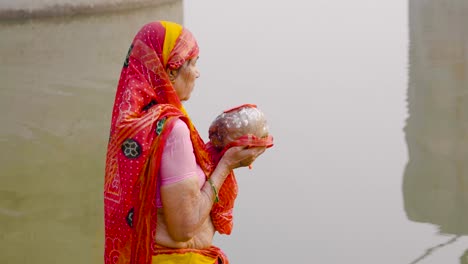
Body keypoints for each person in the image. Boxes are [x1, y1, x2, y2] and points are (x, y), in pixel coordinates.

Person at [104, 21, 272, 264]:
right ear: (171, 71)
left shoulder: (136, 124)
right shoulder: (173, 130)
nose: (197, 72)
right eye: (192, 63)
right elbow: (184, 227)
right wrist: (226, 165)